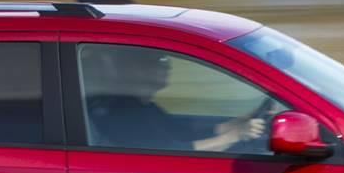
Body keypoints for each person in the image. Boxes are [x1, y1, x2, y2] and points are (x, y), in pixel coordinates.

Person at [81, 46, 269, 153]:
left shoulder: (143, 107)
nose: (167, 66)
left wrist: (228, 126)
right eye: (158, 60)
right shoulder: (122, 113)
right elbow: (174, 151)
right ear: (132, 69)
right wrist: (232, 137)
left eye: (165, 60)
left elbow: (180, 130)